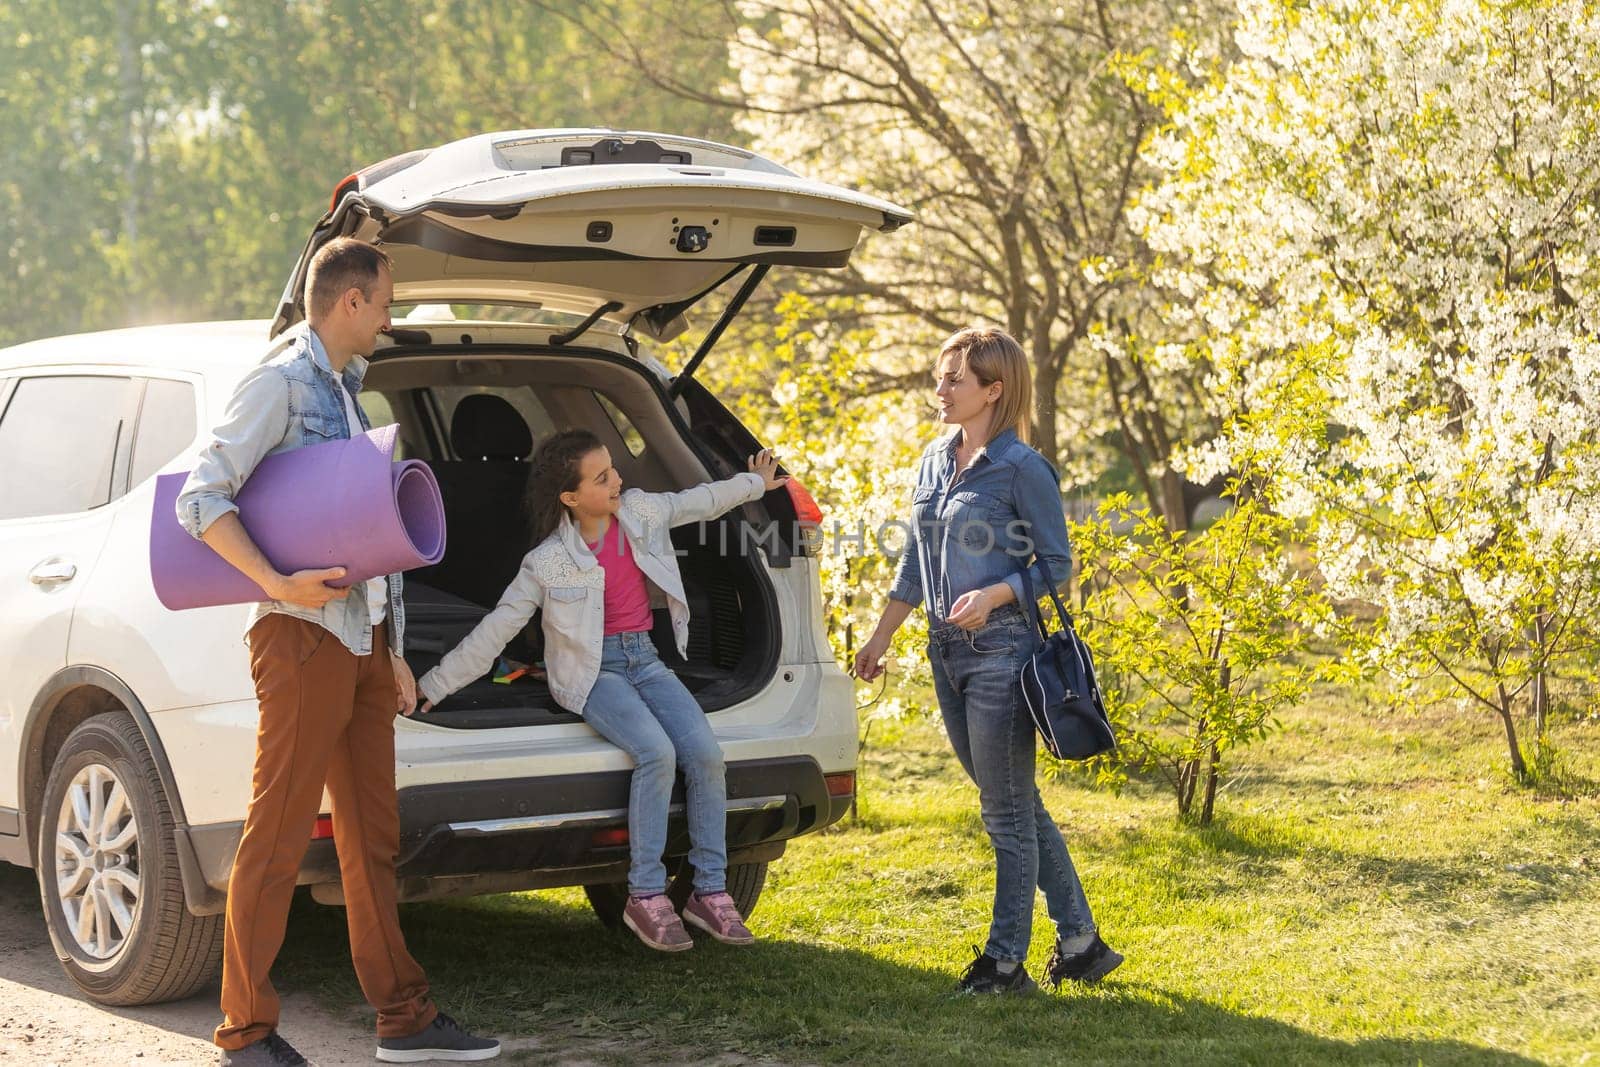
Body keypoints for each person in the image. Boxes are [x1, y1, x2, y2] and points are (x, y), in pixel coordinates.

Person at [177, 237, 500, 1065]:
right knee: (278, 837)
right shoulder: (280, 381)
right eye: (386, 303)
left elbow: (366, 535)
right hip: (300, 639)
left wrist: (390, 647)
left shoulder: (352, 394)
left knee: (371, 839)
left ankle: (405, 1017)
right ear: (350, 300)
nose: (391, 319)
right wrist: (277, 583)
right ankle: (244, 1031)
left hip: (361, 645)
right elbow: (200, 494)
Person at [412, 429, 787, 953]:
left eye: (613, 470)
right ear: (570, 497)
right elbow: (496, 628)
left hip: (646, 659)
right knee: (655, 753)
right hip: (592, 674)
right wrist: (435, 682)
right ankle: (646, 896)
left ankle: (709, 891)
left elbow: (696, 501)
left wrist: (755, 483)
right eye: (603, 477)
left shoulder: (638, 513)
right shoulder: (546, 562)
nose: (619, 481)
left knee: (704, 755)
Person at [852, 326, 1122, 995]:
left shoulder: (1023, 469)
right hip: (947, 654)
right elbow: (915, 560)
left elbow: (1056, 565)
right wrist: (881, 637)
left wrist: (997, 591)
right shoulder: (933, 461)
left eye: (955, 380)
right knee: (1013, 801)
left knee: (1003, 814)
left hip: (1004, 651)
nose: (939, 390)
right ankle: (1082, 942)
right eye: (940, 377)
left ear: (993, 391)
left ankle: (1005, 962)